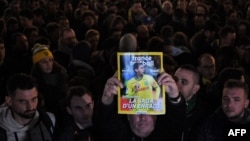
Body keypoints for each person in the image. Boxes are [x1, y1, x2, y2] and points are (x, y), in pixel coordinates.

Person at [95, 72, 186, 141]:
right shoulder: (117, 135)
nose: (142, 117)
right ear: (128, 116)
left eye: (147, 110)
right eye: (137, 111)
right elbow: (105, 120)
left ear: (156, 115)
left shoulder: (168, 135)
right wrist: (107, 97)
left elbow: (177, 119)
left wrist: (174, 95)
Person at [0, 73, 56, 141]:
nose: (30, 107)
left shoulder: (49, 120)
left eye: (34, 99)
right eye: (23, 101)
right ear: (9, 101)